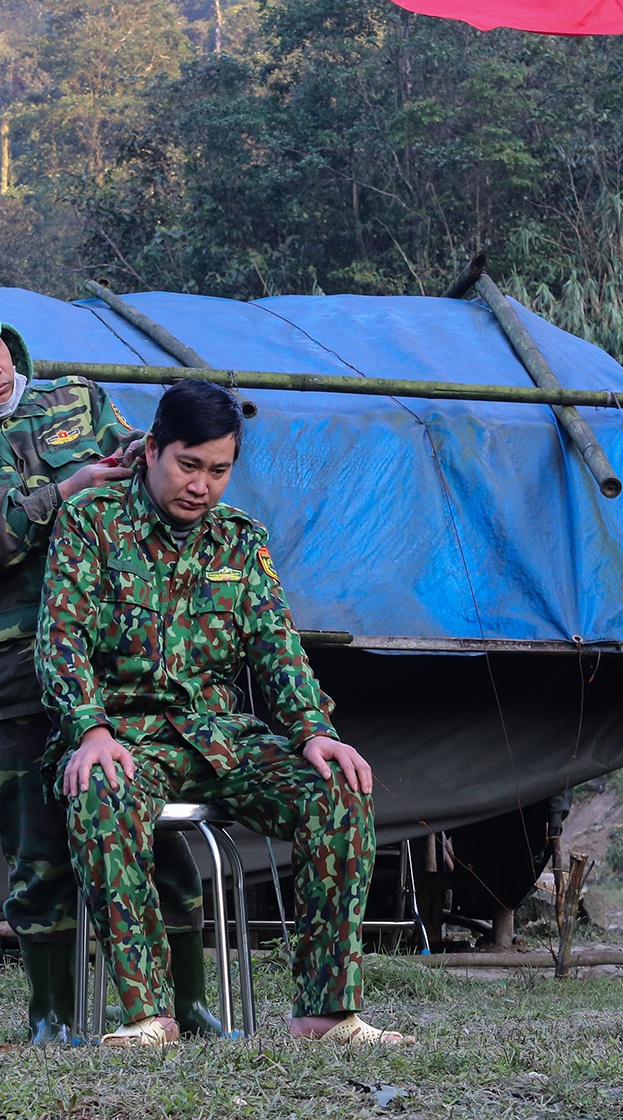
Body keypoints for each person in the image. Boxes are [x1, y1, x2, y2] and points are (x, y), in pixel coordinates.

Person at [36, 378, 413, 1048]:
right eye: (188, 465)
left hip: (222, 743)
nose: (201, 486)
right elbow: (59, 639)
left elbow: (276, 647)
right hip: (126, 739)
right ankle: (149, 1016)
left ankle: (325, 1015)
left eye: (218, 471)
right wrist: (88, 731)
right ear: (152, 450)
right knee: (100, 789)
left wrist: (313, 732)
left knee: (339, 791)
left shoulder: (241, 542)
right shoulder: (91, 521)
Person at [0, 287, 220, 1045]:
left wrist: (146, 466)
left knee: (158, 834)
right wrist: (63, 492)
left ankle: (189, 1003)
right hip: (18, 675)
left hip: (122, 665)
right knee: (37, 847)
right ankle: (52, 1015)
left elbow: (154, 481)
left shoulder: (79, 400)